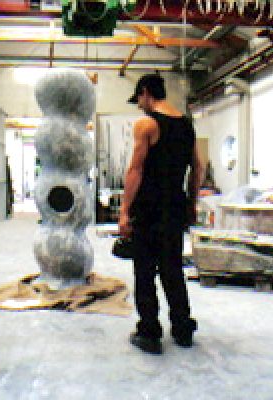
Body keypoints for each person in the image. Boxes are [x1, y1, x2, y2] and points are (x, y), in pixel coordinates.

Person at [119, 74, 204, 354]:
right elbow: (197, 168)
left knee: (145, 270)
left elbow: (135, 170)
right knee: (172, 269)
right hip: (175, 206)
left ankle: (149, 333)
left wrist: (124, 211)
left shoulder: (147, 124)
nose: (139, 105)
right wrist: (192, 203)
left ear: (146, 92)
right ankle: (182, 329)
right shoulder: (186, 125)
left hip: (149, 208)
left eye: (139, 99)